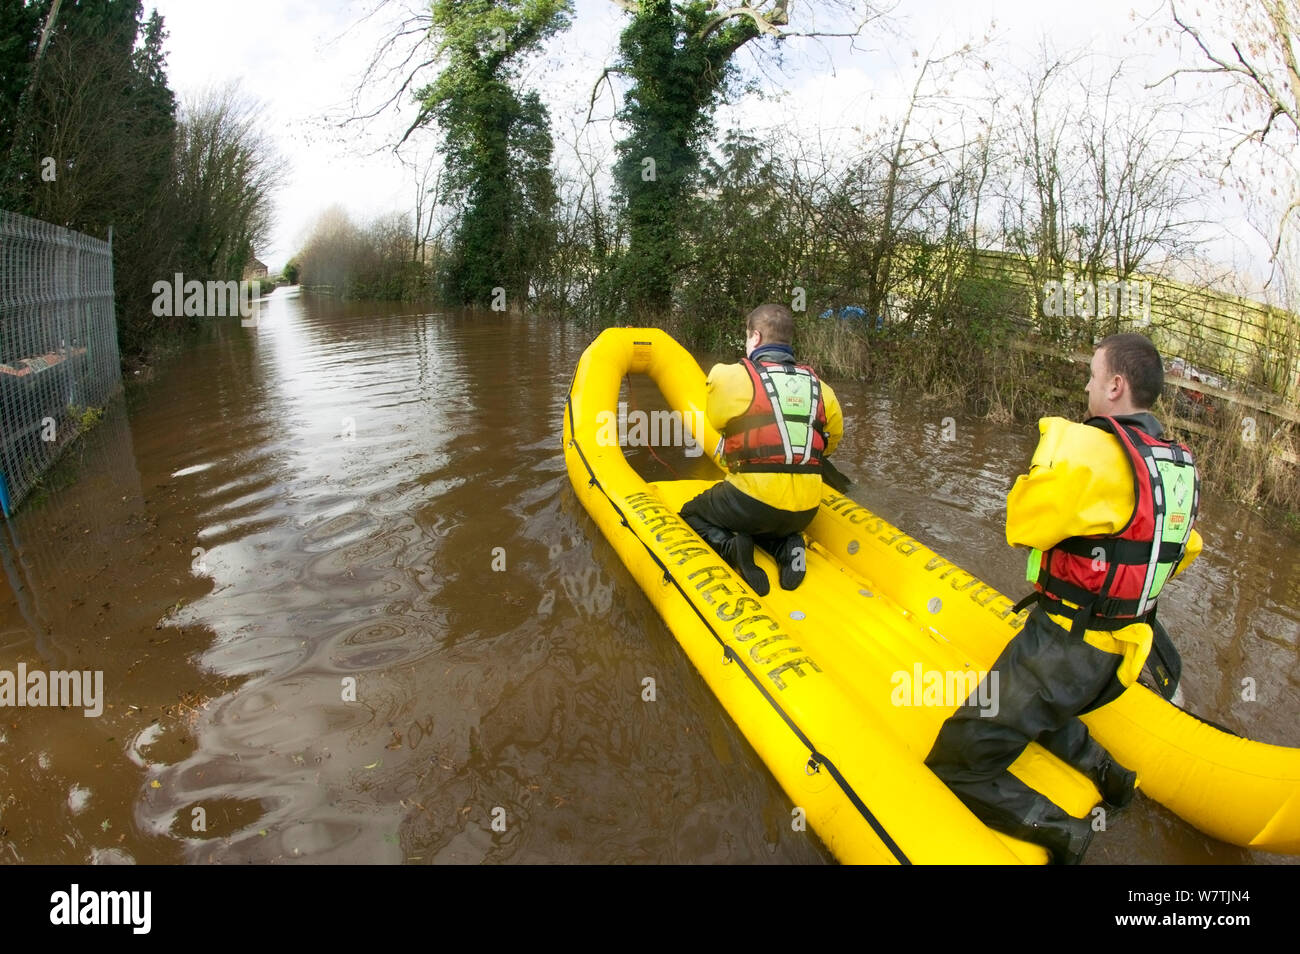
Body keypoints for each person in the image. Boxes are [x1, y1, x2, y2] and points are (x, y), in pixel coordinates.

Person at [925, 333, 1203, 864]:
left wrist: (1053, 447)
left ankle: (1062, 831)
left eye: (1093, 376)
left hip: (1063, 650)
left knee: (956, 761)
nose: (1087, 385)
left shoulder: (1093, 449)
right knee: (1043, 708)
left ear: (1116, 386)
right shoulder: (1180, 464)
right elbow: (1180, 551)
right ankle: (1113, 778)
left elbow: (1022, 525)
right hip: (1121, 655)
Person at [680, 303, 844, 596]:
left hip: (751, 504)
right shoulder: (823, 389)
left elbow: (717, 423)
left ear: (755, 338)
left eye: (747, 336)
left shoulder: (729, 376)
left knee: (691, 514)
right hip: (806, 510)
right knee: (771, 514)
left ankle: (731, 546)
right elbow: (830, 444)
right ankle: (785, 545)